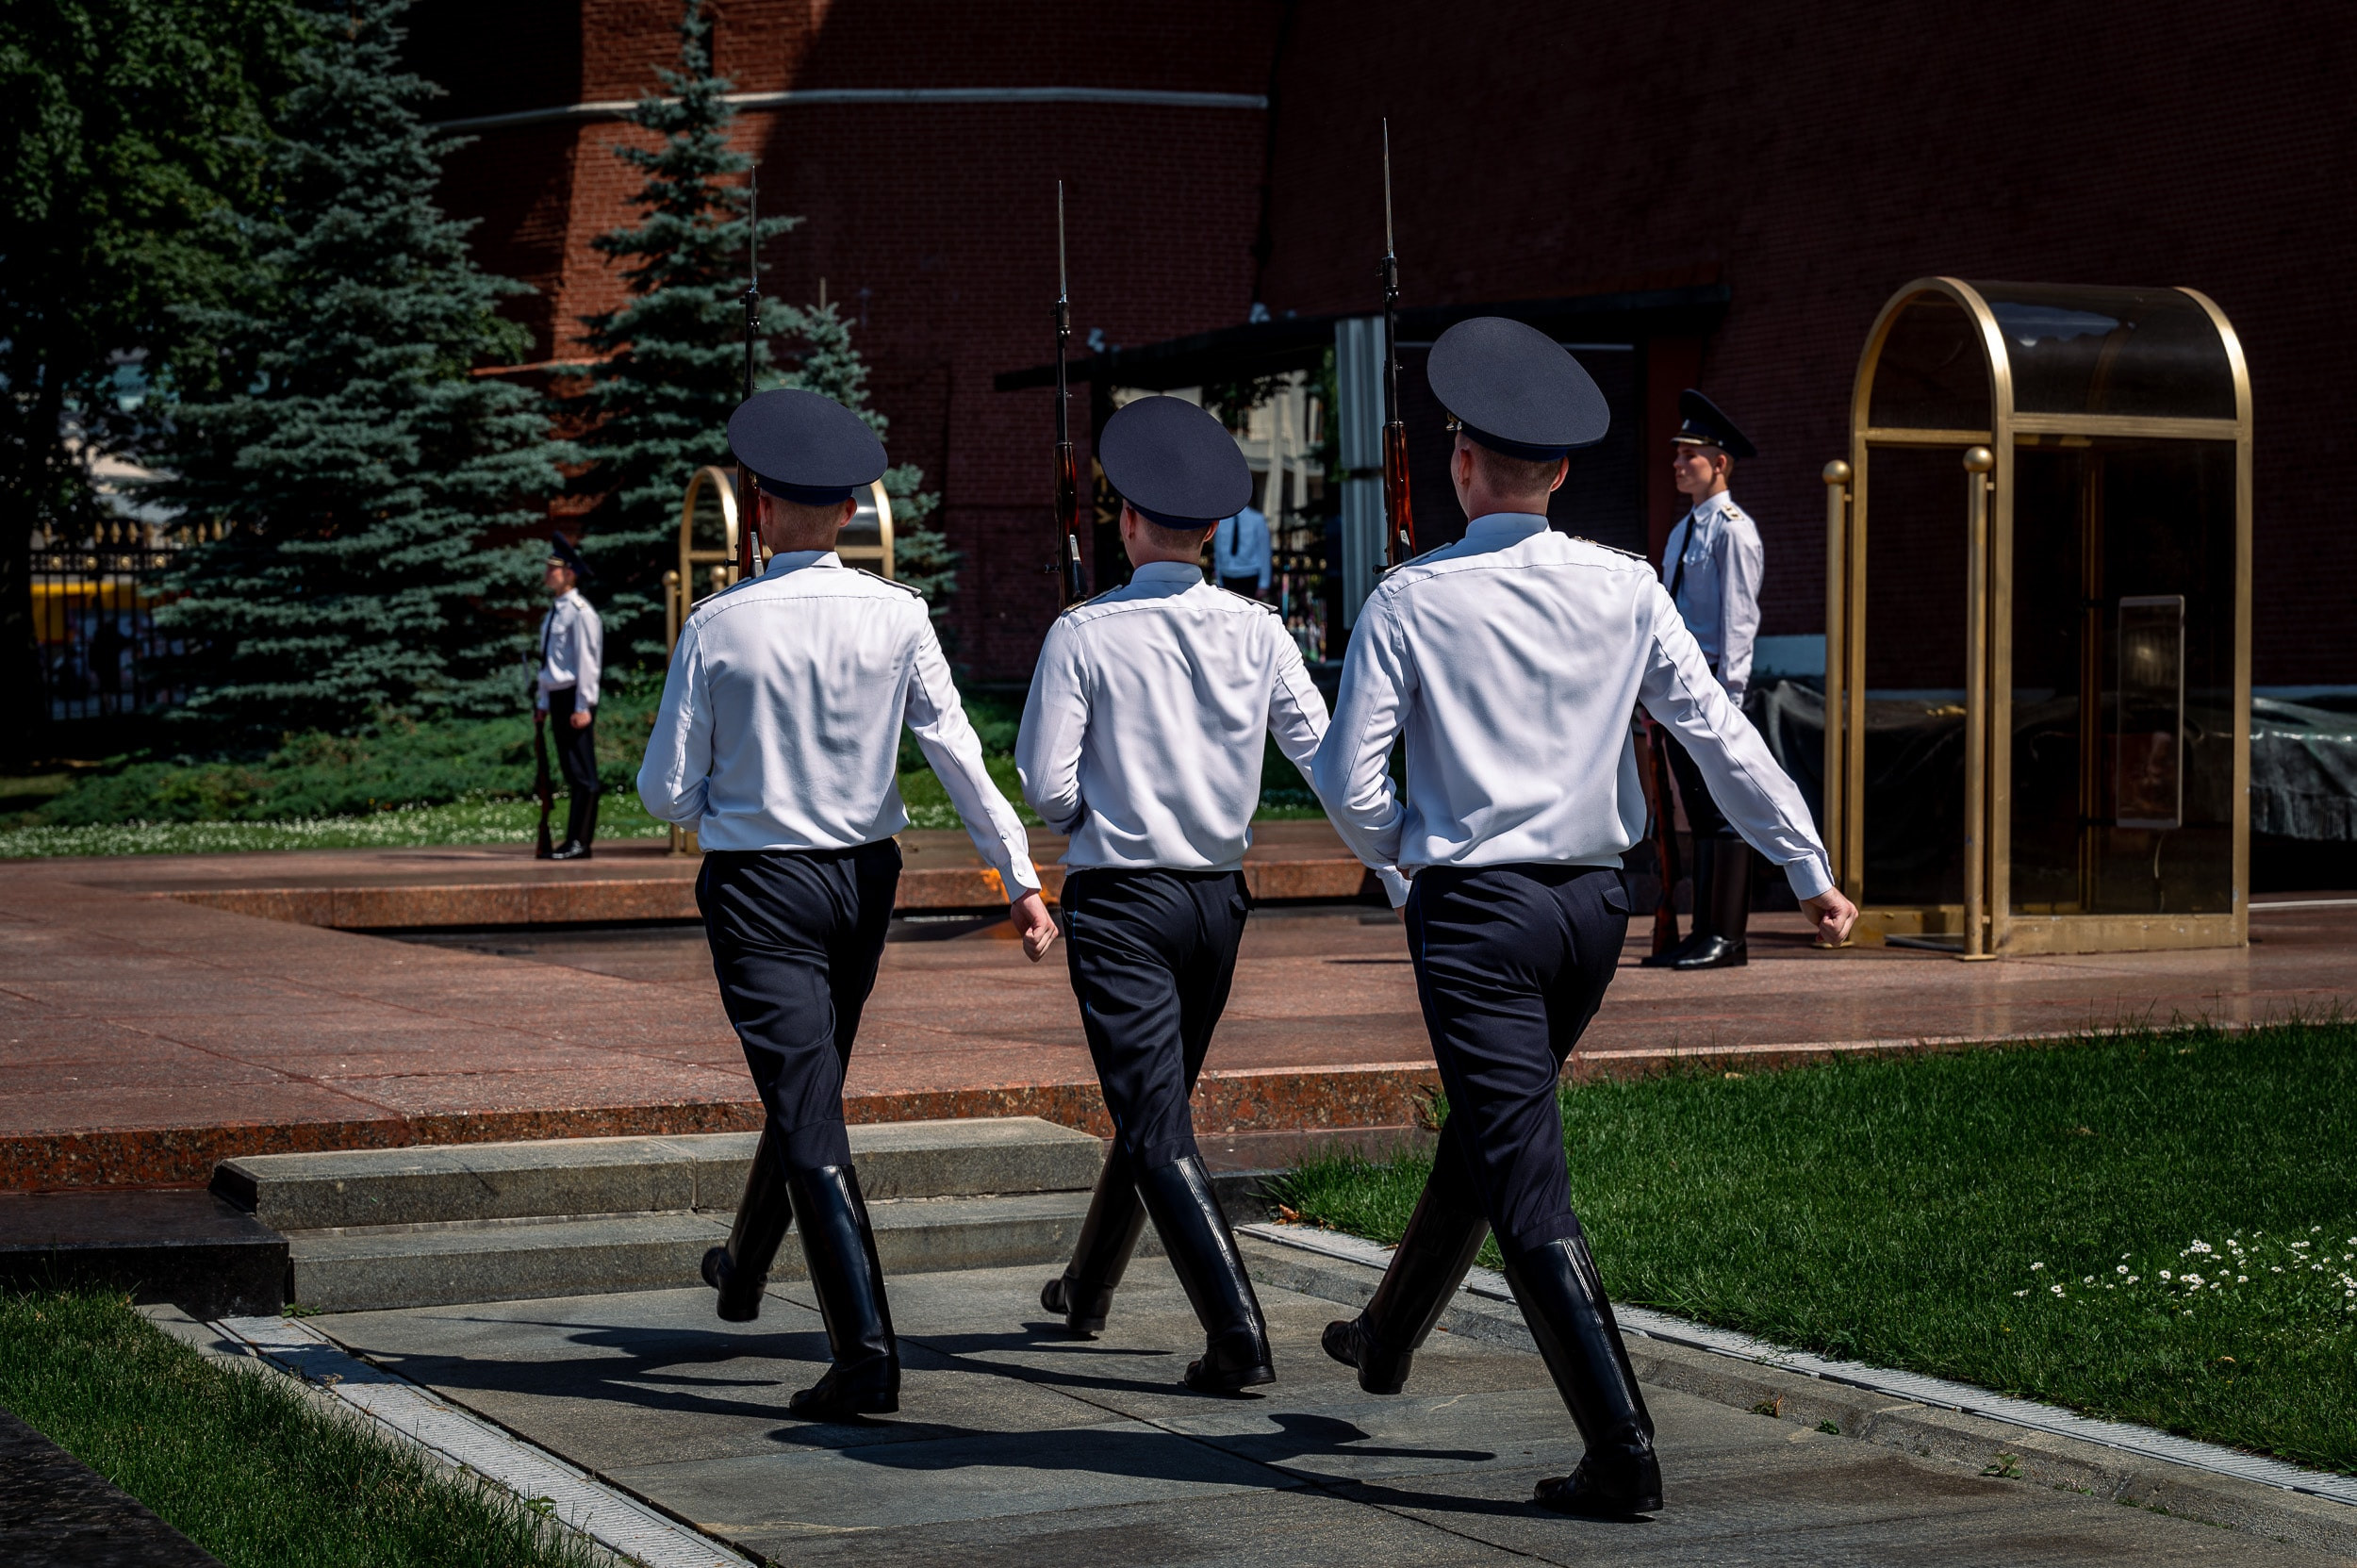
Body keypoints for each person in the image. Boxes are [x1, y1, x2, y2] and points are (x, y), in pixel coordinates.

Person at [1310, 317, 1856, 1518]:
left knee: (1526, 1176)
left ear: (1462, 463)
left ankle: (1622, 1451)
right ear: (1558, 471)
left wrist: (1409, 862)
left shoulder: (1411, 597)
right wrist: (1804, 864)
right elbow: (1714, 731)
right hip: (1594, 912)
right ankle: (1385, 1336)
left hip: (1476, 913)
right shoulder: (1625, 583)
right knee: (1492, 1134)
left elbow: (1351, 784)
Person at [638, 388, 1059, 1420]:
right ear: (845, 511)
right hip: (865, 880)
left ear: (761, 504)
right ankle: (744, 1267)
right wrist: (1020, 877)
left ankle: (865, 1353)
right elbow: (957, 754)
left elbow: (664, 790)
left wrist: (727, 798)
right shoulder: (900, 614)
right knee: (809, 1083)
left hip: (760, 883)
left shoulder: (717, 623)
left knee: (807, 1103)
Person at [1016, 395, 1400, 1392]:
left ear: (1127, 520)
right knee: (1157, 1107)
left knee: (1153, 1119)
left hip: (1125, 901)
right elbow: (1323, 758)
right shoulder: (1259, 630)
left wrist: (1093, 810)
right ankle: (1087, 1286)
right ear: (1212, 530)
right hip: (1217, 904)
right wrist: (1397, 865)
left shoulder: (1082, 632)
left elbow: (1045, 786)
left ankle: (1237, 1335)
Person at [1643, 390, 1766, 969]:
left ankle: (1729, 937)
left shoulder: (1733, 531)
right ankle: (1703, 931)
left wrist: (1731, 701)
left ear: (1719, 463)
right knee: (1697, 807)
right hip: (1678, 687)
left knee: (1723, 810)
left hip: (1714, 686)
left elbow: (1738, 621)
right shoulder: (1684, 530)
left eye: (1689, 454)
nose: (1677, 463)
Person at [536, 534, 605, 861]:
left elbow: (587, 663)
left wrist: (583, 705)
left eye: (554, 569)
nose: (547, 573)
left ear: (569, 573)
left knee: (583, 776)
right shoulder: (555, 612)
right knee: (571, 772)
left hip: (575, 700)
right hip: (559, 699)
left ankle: (580, 842)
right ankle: (572, 841)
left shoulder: (580, 612)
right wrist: (542, 703)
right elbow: (548, 663)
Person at [1211, 499, 1272, 598]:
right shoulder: (1221, 521)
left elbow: (1264, 553)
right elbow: (1218, 551)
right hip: (1227, 575)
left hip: (1249, 576)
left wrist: (1264, 583)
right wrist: (1219, 578)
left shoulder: (1257, 520)